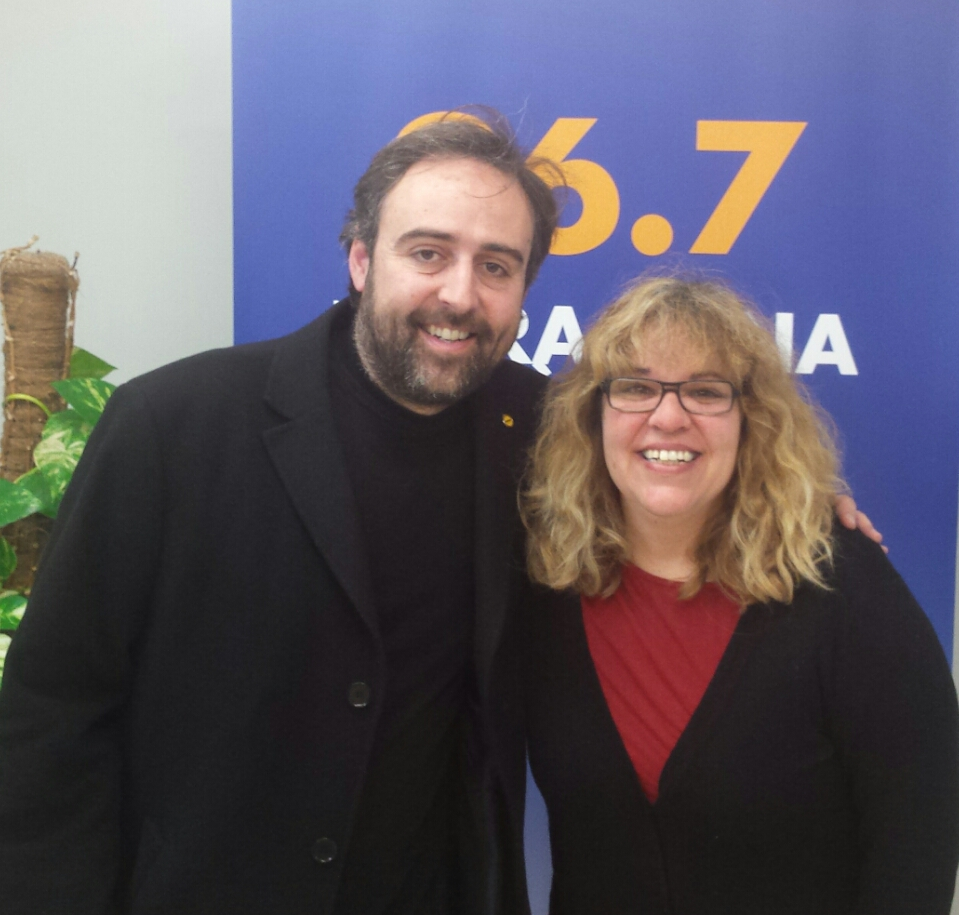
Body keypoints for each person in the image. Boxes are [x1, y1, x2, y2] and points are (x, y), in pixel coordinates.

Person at [0, 114, 876, 915]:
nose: (459, 294)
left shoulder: (547, 431)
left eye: (495, 266)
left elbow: (673, 465)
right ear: (360, 260)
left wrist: (799, 500)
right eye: (427, 252)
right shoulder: (172, 426)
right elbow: (52, 711)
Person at [521, 275, 959, 915]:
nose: (668, 416)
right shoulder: (543, 578)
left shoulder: (838, 581)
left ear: (751, 420)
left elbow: (919, 831)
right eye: (636, 387)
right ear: (594, 415)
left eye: (705, 391)